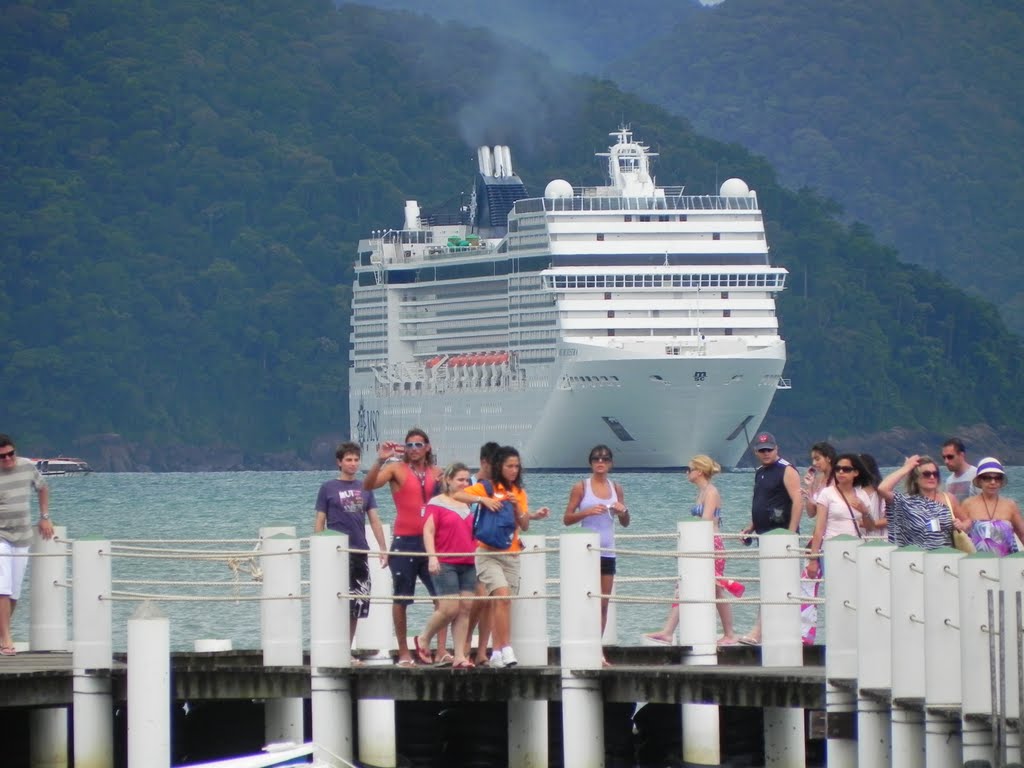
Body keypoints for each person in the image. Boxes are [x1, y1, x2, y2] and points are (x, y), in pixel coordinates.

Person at [453, 446, 550, 668]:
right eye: (509, 466)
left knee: (503, 603)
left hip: (512, 554)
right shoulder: (487, 487)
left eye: (516, 466)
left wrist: (518, 508)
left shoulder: (520, 493)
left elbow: (524, 525)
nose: (514, 470)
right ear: (499, 467)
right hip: (488, 553)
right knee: (501, 595)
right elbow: (457, 494)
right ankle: (506, 647)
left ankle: (497, 651)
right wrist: (484, 501)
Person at [362, 428, 442, 666]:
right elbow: (368, 485)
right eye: (409, 445)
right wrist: (381, 459)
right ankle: (404, 652)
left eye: (418, 445)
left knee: (443, 597)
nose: (414, 449)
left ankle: (440, 650)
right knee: (401, 598)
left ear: (427, 447)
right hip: (405, 540)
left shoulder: (437, 472)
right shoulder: (396, 469)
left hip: (432, 542)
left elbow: (459, 493)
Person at [644, 455, 742, 646]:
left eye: (689, 469)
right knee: (687, 586)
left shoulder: (711, 492)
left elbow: (706, 521)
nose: (686, 473)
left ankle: (729, 633)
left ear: (699, 471)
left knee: (716, 589)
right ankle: (668, 631)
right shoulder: (702, 492)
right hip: (701, 543)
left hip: (711, 545)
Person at [313, 442, 388, 647]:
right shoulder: (328, 488)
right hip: (335, 552)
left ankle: (347, 648)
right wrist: (320, 550)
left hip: (359, 550)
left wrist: (383, 548)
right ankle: (331, 647)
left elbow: (374, 519)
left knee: (358, 603)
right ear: (339, 462)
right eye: (348, 459)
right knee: (334, 601)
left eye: (356, 459)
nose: (353, 464)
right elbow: (320, 521)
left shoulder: (365, 487)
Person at [563, 445, 629, 663]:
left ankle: (596, 648)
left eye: (604, 459)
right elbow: (567, 519)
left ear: (610, 463)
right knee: (584, 601)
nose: (600, 462)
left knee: (602, 603)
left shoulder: (616, 487)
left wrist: (623, 511)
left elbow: (625, 523)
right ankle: (580, 644)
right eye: (596, 459)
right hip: (586, 552)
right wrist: (587, 511)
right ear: (590, 463)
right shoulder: (581, 487)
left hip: (608, 551)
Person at [738, 431, 801, 645]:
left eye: (769, 449)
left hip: (781, 536)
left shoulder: (787, 470)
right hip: (764, 536)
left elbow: (798, 501)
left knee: (774, 584)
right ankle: (770, 632)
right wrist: (750, 527)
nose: (766, 453)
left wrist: (791, 534)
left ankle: (758, 632)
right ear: (756, 452)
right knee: (769, 584)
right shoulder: (760, 472)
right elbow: (762, 502)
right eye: (762, 450)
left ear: (777, 449)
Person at [415, 463, 478, 668]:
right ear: (448, 480)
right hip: (446, 561)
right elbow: (429, 531)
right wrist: (432, 557)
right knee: (449, 607)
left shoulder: (468, 505)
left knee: (465, 609)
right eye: (460, 479)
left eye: (467, 480)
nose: (464, 483)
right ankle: (424, 637)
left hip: (468, 561)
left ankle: (459, 655)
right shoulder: (437, 502)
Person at [0, 434, 54, 656]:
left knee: (14, 593)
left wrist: (45, 516)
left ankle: (2, 635)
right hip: (0, 536)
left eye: (11, 454)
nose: (8, 459)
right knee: (2, 589)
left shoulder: (27, 467)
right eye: (2, 456)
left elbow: (42, 488)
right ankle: (7, 640)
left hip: (22, 536)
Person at [806, 454, 872, 579]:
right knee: (834, 590)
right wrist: (813, 559)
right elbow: (819, 528)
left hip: (856, 549)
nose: (841, 472)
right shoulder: (827, 493)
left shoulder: (862, 495)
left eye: (846, 469)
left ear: (856, 472)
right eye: (837, 469)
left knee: (856, 592)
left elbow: (870, 527)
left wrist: (864, 511)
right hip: (832, 549)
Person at [878, 454, 961, 549]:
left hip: (945, 558)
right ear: (916, 478)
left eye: (935, 474)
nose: (932, 477)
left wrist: (961, 525)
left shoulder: (948, 498)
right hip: (915, 560)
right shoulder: (905, 502)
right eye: (927, 474)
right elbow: (882, 488)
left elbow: (967, 522)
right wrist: (907, 467)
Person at [467, 442, 500, 667]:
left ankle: (481, 651)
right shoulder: (468, 483)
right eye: (493, 464)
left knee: (487, 600)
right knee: (477, 600)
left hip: (487, 548)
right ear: (483, 462)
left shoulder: (498, 487)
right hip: (465, 547)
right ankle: (465, 644)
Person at [954, 457, 1024, 556]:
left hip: (1007, 564)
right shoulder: (968, 504)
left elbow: (1022, 534)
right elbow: (960, 535)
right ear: (979, 480)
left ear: (1001, 481)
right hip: (977, 565)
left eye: (997, 478)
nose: (993, 482)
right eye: (987, 478)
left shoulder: (1010, 505)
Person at [802, 442, 836, 519]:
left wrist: (816, 503)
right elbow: (811, 513)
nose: (814, 463)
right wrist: (809, 485)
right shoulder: (818, 479)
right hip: (821, 528)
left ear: (828, 458)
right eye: (813, 459)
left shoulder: (839, 480)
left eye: (817, 459)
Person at [858, 453, 888, 538]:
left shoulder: (882, 492)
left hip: (881, 538)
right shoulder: (853, 491)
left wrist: (868, 524)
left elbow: (889, 519)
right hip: (859, 537)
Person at [941, 438, 978, 503]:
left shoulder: (976, 475)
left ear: (961, 455)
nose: (946, 461)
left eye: (950, 457)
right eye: (944, 457)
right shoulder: (948, 481)